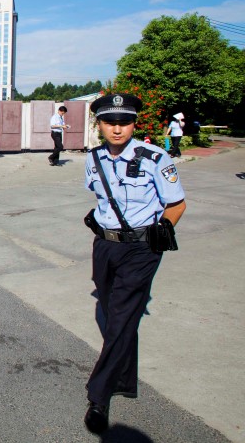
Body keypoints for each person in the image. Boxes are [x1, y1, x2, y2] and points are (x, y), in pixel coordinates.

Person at [82, 93, 186, 435]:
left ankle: (99, 397)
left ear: (135, 123)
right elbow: (99, 199)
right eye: (110, 122)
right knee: (116, 316)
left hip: (141, 249)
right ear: (99, 124)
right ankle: (125, 378)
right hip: (105, 246)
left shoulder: (155, 157)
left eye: (124, 122)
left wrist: (164, 229)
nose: (116, 128)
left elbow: (176, 204)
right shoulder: (93, 158)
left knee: (122, 317)